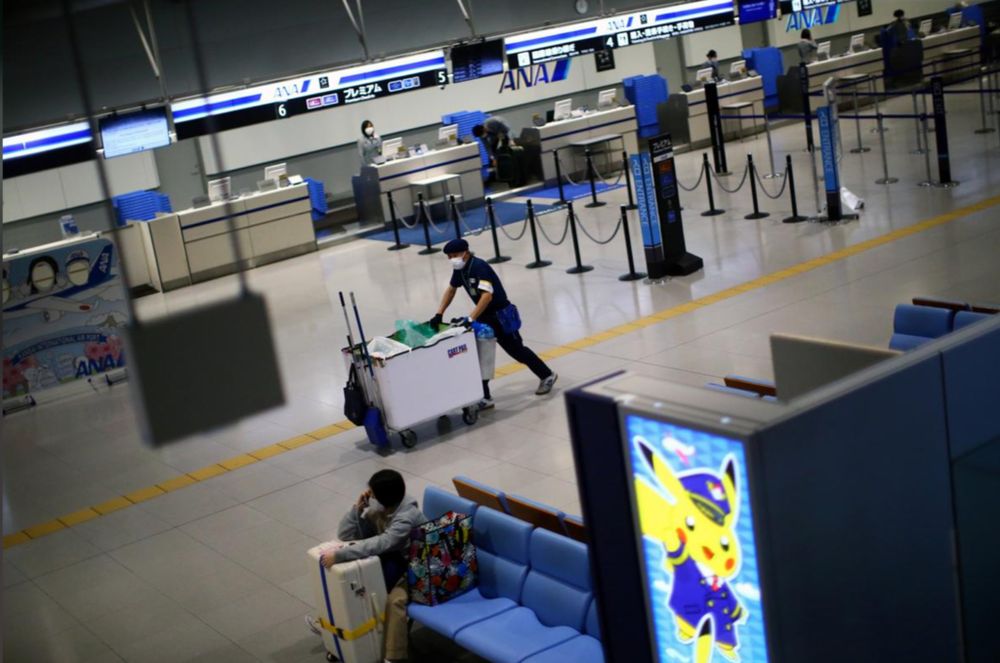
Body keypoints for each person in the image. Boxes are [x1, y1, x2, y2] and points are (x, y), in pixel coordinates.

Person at [306, 469, 423, 663]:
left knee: (395, 601)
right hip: (392, 565)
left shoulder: (406, 518)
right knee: (356, 588)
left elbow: (381, 543)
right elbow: (345, 534)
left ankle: (393, 657)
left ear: (383, 497)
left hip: (416, 569)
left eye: (373, 494)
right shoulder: (383, 510)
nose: (371, 497)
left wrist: (340, 555)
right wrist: (356, 509)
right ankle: (336, 628)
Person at [429, 238, 557, 410]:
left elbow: (487, 296)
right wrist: (439, 313)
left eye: (454, 255)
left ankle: (547, 375)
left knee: (517, 351)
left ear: (465, 252)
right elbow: (451, 289)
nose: (452, 259)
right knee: (481, 356)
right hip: (483, 317)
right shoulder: (460, 269)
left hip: (500, 315)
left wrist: (470, 318)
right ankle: (485, 397)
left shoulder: (479, 267)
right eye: (449, 256)